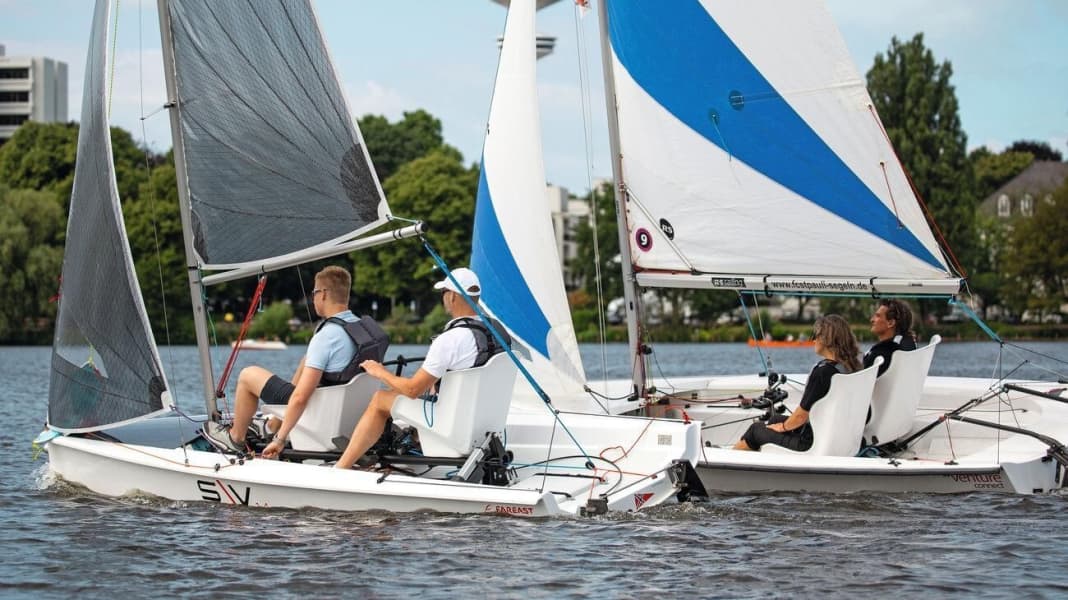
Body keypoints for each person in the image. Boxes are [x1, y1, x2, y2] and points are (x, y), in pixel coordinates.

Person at [335, 267, 509, 469]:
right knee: (415, 393)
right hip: (483, 427)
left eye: (443, 293)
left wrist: (379, 372)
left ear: (452, 296)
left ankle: (341, 468)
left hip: (451, 426)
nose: (443, 298)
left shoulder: (450, 339)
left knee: (380, 399)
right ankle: (413, 441)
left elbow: (412, 389)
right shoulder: (499, 333)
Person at [203, 265, 382, 458]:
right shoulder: (360, 328)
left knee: (248, 375)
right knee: (308, 360)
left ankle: (235, 438)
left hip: (319, 406)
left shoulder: (327, 336)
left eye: (314, 293)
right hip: (344, 405)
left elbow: (299, 398)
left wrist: (280, 439)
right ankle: (273, 423)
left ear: (322, 294)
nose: (313, 298)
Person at [734, 315, 862, 452]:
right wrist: (781, 425)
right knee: (774, 420)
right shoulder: (851, 367)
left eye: (815, 335)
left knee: (756, 430)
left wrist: (783, 427)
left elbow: (801, 416)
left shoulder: (822, 372)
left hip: (810, 442)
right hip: (834, 435)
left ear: (826, 339)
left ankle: (732, 457)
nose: (813, 340)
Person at [864, 299, 916, 376]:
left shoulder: (881, 353)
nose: (872, 320)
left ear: (891, 323)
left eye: (877, 316)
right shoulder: (909, 345)